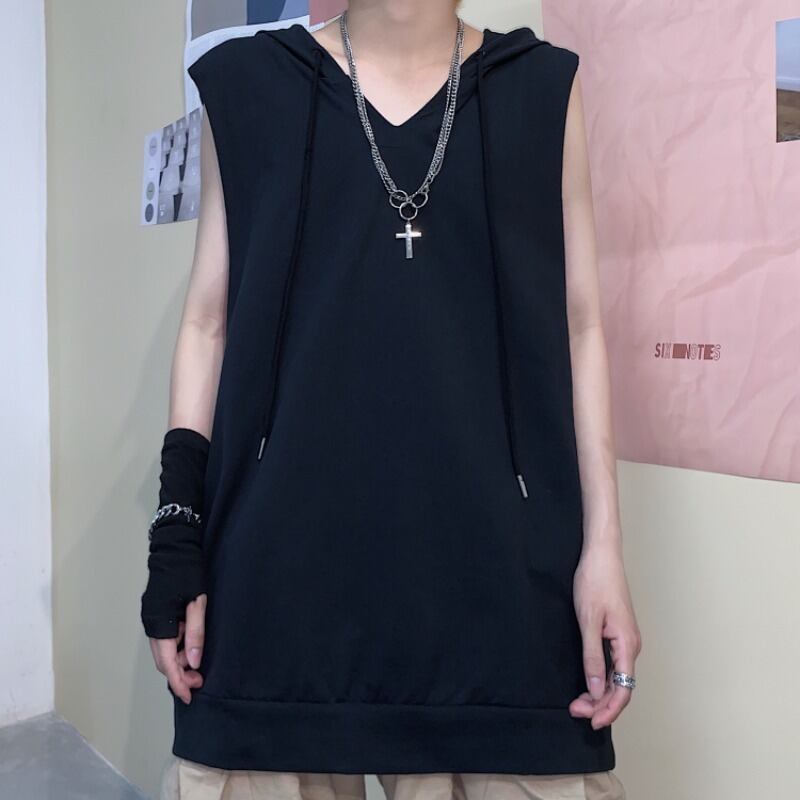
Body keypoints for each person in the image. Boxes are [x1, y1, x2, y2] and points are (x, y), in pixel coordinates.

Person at [141, 2, 641, 798]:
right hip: (276, 583)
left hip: (502, 584)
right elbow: (208, 322)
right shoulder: (247, 84)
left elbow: (580, 325)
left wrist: (604, 548)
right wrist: (177, 540)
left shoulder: (541, 87)